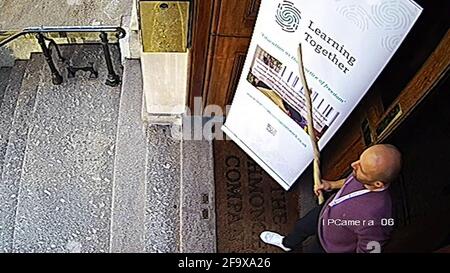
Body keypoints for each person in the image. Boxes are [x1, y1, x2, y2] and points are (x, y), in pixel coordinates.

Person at [260, 144, 402, 253]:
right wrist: (331, 184)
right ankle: (286, 244)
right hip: (326, 212)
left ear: (378, 184)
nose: (354, 165)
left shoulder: (377, 219)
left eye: (361, 168)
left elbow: (370, 248)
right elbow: (349, 180)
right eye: (359, 160)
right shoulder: (363, 173)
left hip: (331, 245)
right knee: (301, 227)